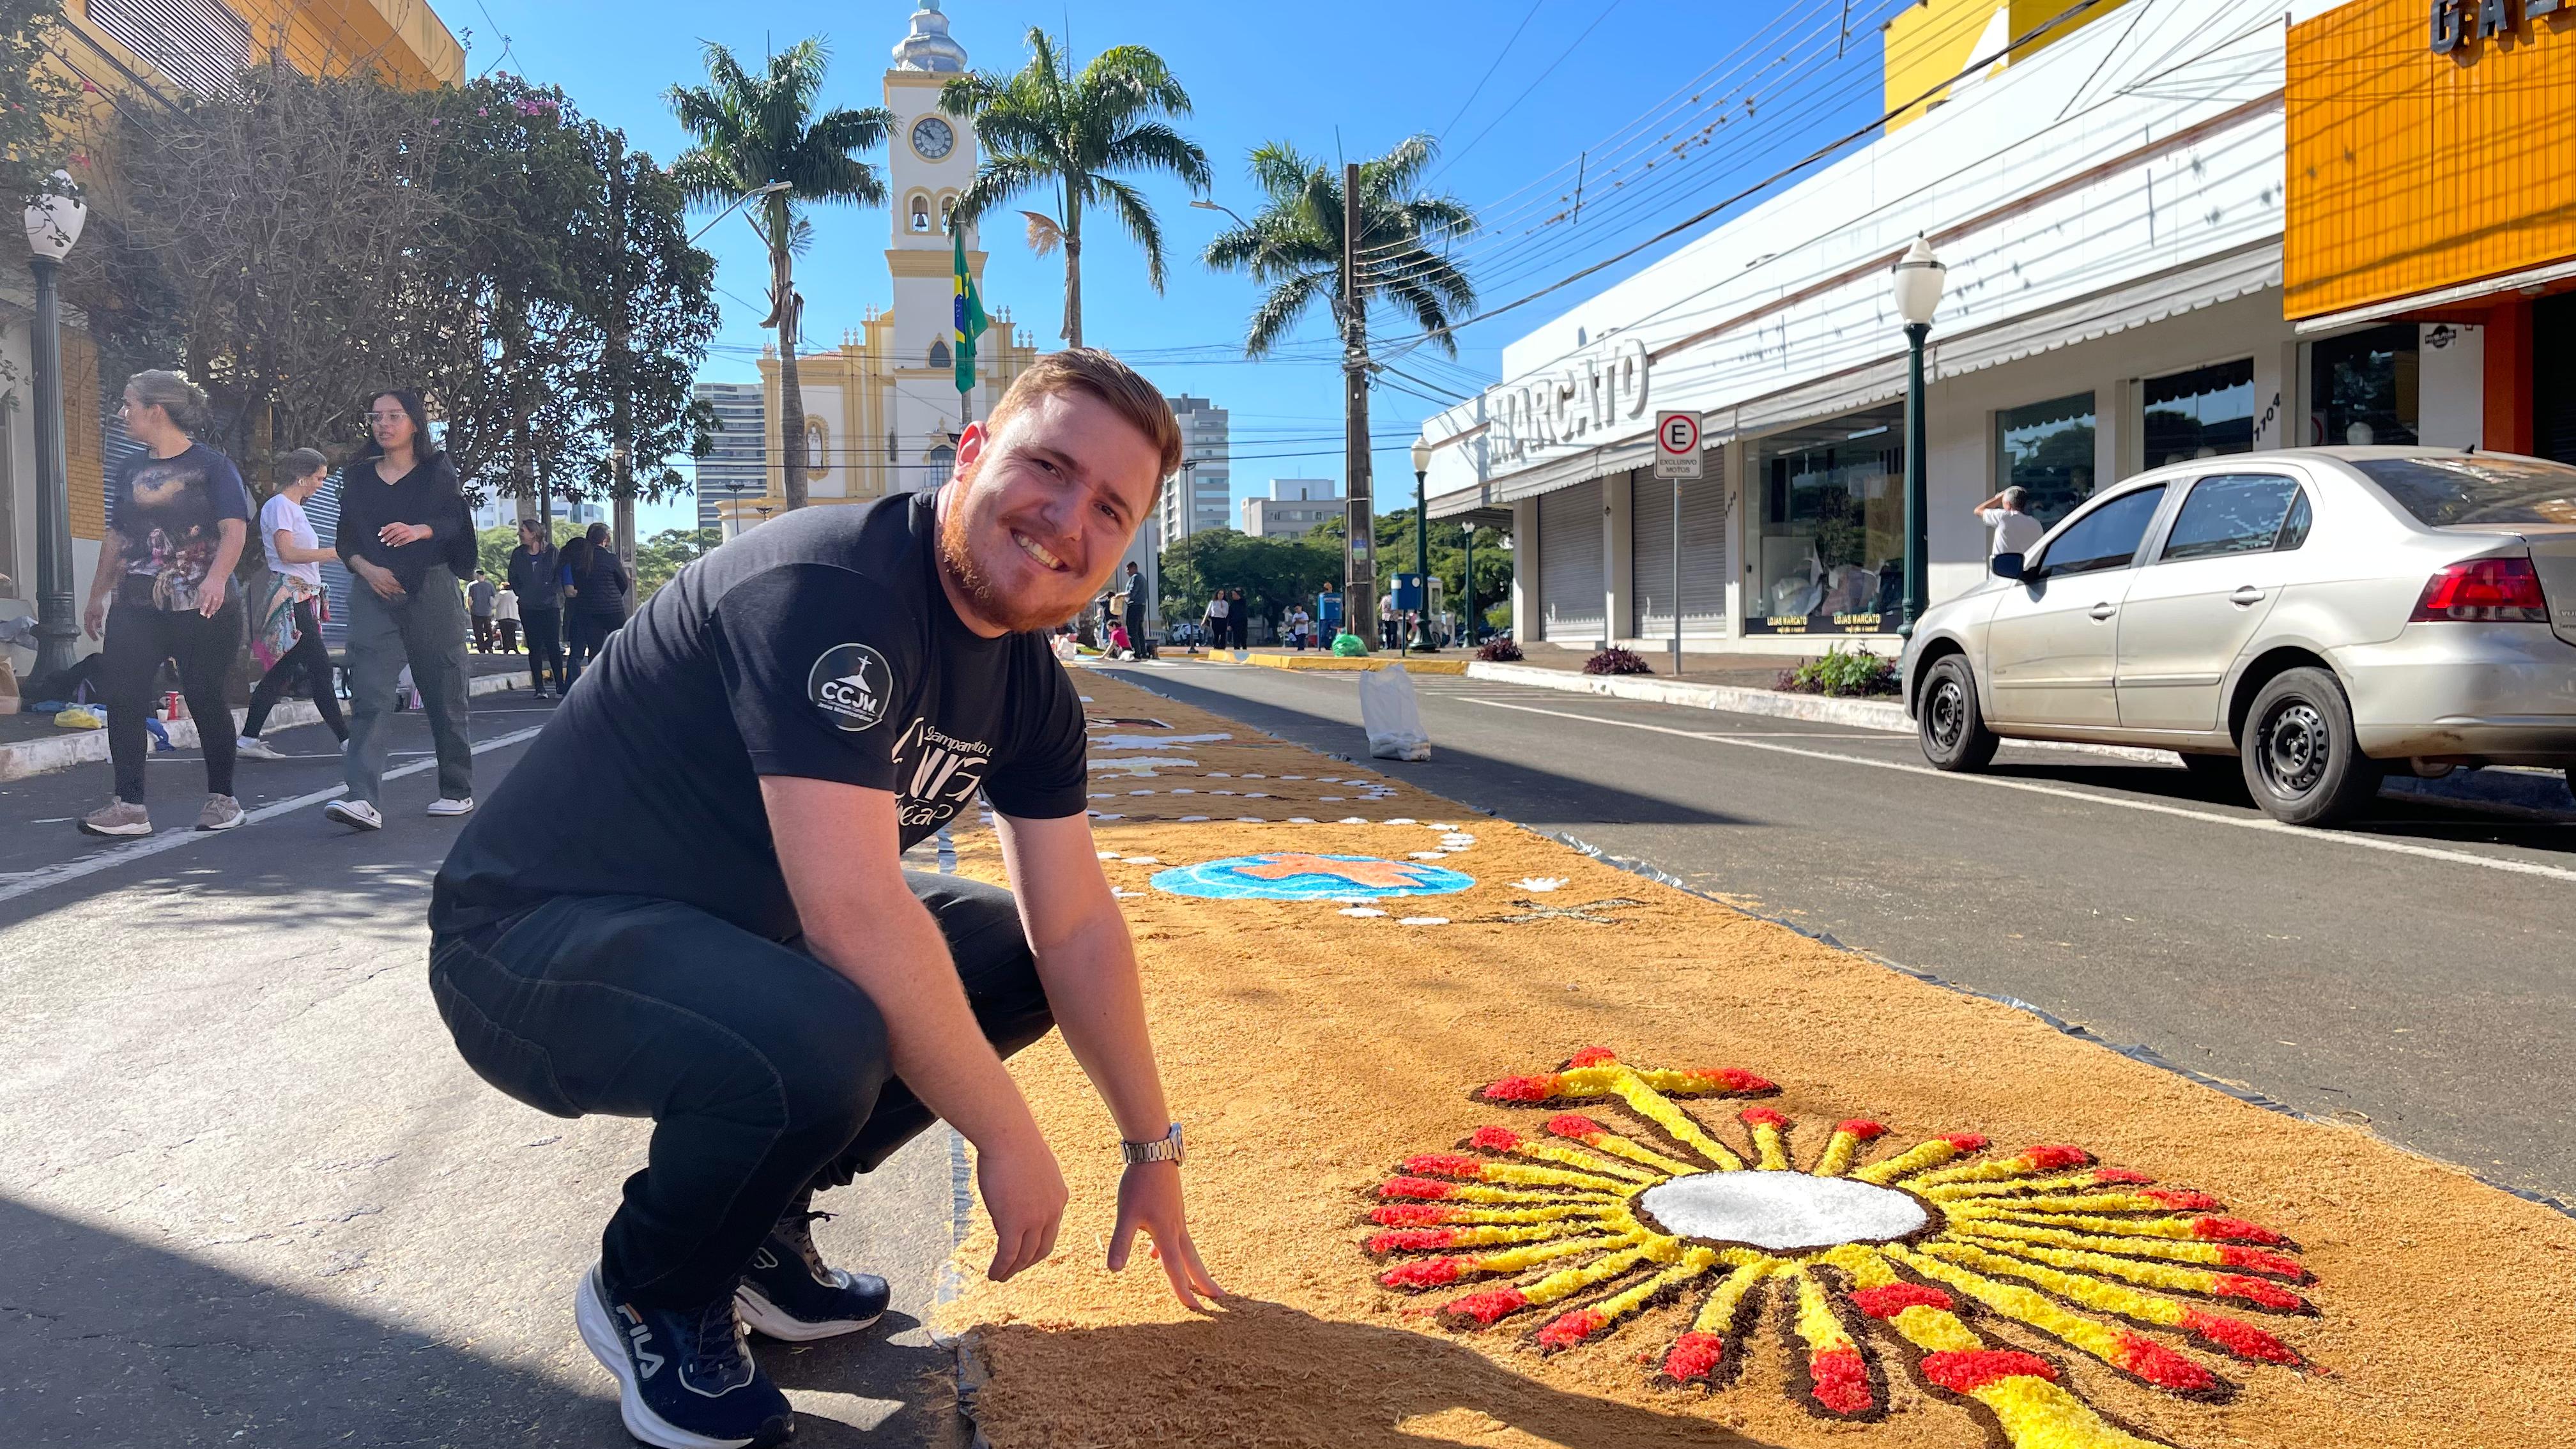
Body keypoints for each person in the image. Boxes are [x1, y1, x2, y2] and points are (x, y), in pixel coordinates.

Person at [426, 349, 1218, 1449]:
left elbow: (1075, 925)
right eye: (1048, 466)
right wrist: (1006, 1132)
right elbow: (852, 912)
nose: (1066, 518)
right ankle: (653, 1285)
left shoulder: (1030, 686)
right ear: (971, 453)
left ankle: (755, 1230)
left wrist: (1149, 1150)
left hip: (730, 935)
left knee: (1005, 955)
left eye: (1110, 509)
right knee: (829, 1027)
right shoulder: (834, 588)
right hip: (525, 944)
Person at [75, 370, 251, 837]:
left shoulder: (213, 466)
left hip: (203, 604)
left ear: (156, 411)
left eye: (129, 403)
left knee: (205, 696)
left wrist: (216, 579)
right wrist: (97, 595)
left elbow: (234, 530)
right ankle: (130, 807)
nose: (122, 412)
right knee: (123, 698)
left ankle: (223, 799)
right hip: (136, 603)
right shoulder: (128, 470)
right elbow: (117, 537)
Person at [325, 388, 476, 832]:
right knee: (370, 694)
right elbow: (346, 540)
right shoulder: (358, 477)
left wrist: (420, 530)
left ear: (414, 422)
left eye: (394, 416)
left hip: (431, 588)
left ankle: (456, 790)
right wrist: (367, 570)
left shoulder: (436, 469)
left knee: (444, 691)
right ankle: (362, 798)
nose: (384, 425)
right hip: (374, 591)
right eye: (376, 417)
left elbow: (454, 521)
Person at [237, 447, 349, 762]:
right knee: (320, 668)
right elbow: (287, 554)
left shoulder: (293, 508)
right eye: (319, 478)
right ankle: (346, 740)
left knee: (282, 670)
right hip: (292, 598)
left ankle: (247, 739)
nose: (321, 485)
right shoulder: (280, 506)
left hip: (302, 596)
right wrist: (333, 553)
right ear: (301, 476)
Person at [564, 521, 629, 688]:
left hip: (588, 611)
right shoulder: (610, 558)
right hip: (613, 609)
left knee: (595, 651)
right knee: (621, 646)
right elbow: (623, 582)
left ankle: (597, 686)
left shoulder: (579, 560)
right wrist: (614, 596)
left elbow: (577, 583)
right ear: (605, 540)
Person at [508, 519, 565, 698]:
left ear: (533, 534)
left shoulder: (552, 552)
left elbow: (559, 575)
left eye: (523, 531)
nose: (520, 534)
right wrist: (522, 593)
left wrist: (551, 592)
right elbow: (513, 577)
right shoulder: (518, 554)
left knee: (553, 646)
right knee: (534, 647)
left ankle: (560, 685)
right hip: (528, 607)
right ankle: (539, 688)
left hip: (549, 606)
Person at [1974, 485, 2045, 560]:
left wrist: (1998, 499)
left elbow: (1978, 510)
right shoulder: (2036, 524)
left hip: (2002, 567)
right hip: (2028, 567)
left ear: (2008, 505)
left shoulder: (2003, 517)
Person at [467, 569, 498, 653]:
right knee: (489, 630)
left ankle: (481, 648)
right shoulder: (490, 585)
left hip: (476, 612)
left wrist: (470, 609)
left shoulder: (472, 586)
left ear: (476, 576)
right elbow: (494, 598)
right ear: (483, 576)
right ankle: (489, 646)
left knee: (478, 631)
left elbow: (470, 599)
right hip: (487, 612)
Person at [1119, 560, 1146, 653]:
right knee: (1139, 631)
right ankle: (1143, 652)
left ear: (1134, 568)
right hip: (1141, 607)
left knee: (1132, 630)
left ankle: (1136, 653)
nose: (1127, 572)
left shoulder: (1135, 578)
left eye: (1128, 569)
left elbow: (1131, 593)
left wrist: (1120, 595)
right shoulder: (1142, 578)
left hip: (1135, 607)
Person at [494, 583, 521, 654]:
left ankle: (506, 648)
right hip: (514, 617)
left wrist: (490, 598)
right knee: (512, 633)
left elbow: (494, 604)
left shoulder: (501, 594)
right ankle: (514, 647)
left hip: (503, 617)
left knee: (504, 634)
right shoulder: (515, 594)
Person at [1202, 588, 1228, 652]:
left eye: (1222, 594)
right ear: (1217, 594)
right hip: (1215, 620)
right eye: (1219, 594)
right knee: (1215, 634)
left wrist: (1222, 608)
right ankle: (1216, 647)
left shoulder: (1225, 603)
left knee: (1223, 635)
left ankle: (1222, 647)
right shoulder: (1213, 602)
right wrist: (1204, 620)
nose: (1221, 595)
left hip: (1223, 620)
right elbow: (1208, 612)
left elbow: (1226, 613)